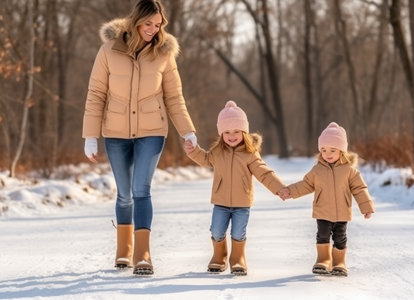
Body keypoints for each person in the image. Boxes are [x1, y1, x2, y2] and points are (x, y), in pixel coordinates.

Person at [82, 0, 197, 276]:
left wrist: (188, 130)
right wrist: (90, 135)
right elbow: (96, 94)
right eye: (148, 24)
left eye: (158, 25)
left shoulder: (163, 53)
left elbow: (174, 97)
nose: (153, 30)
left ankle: (142, 254)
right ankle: (124, 251)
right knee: (124, 195)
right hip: (116, 133)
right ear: (136, 21)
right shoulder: (109, 50)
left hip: (151, 132)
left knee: (140, 190)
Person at [183, 100, 286, 276]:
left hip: (242, 203)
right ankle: (219, 256)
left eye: (236, 131)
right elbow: (206, 159)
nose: (232, 135)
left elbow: (264, 173)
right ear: (221, 133)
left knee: (238, 232)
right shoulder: (218, 152)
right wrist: (193, 150)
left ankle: (238, 259)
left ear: (244, 132)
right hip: (220, 202)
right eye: (227, 132)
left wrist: (279, 188)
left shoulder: (250, 153)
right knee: (216, 230)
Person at [279, 122, 375, 277]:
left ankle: (339, 263)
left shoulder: (349, 171)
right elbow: (306, 184)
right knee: (322, 235)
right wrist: (290, 191)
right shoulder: (317, 170)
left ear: (342, 151)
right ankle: (323, 260)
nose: (327, 153)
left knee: (340, 237)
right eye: (323, 150)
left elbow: (359, 188)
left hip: (342, 212)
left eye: (332, 150)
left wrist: (366, 207)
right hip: (322, 211)